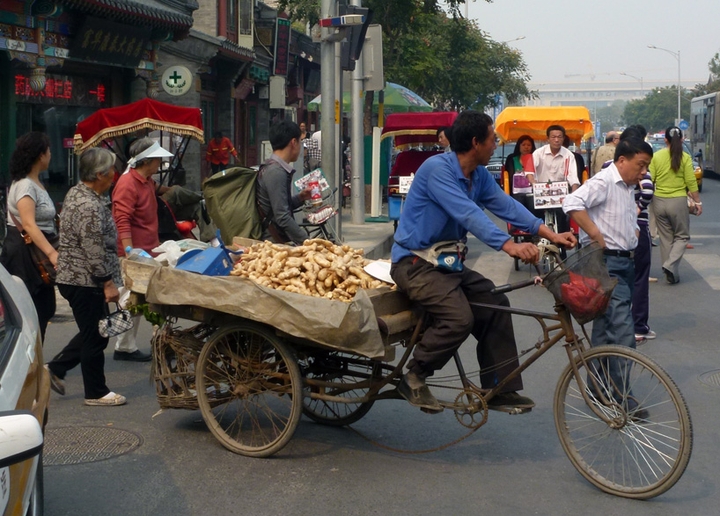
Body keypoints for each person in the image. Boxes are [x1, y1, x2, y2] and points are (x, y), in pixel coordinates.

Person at [390, 110, 576, 412]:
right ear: (476, 142)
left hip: (447, 264)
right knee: (458, 318)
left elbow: (505, 205)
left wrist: (549, 234)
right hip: (415, 265)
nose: (497, 143)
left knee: (496, 303)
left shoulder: (477, 176)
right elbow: (468, 214)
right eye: (493, 138)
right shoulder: (437, 170)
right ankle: (414, 375)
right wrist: (508, 246)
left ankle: (499, 385)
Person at [563, 137, 654, 419]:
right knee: (623, 333)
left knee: (603, 330)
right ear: (622, 160)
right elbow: (572, 202)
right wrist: (593, 232)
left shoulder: (627, 186)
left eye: (646, 167)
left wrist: (632, 233)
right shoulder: (604, 181)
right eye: (640, 166)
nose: (643, 173)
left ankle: (597, 389)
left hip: (623, 263)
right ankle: (619, 397)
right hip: (607, 265)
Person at [45, 147, 127, 406]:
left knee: (93, 330)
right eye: (111, 170)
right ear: (100, 174)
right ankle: (96, 392)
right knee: (95, 337)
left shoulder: (79, 193)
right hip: (84, 279)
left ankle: (56, 368)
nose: (114, 174)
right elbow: (92, 248)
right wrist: (108, 283)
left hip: (77, 276)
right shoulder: (88, 203)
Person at [111, 137, 173, 362]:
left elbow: (156, 189)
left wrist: (174, 191)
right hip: (135, 251)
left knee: (146, 298)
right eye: (157, 159)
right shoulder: (127, 183)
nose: (160, 163)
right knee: (132, 300)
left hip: (150, 248)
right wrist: (129, 251)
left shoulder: (146, 180)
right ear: (147, 161)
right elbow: (122, 219)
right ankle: (124, 345)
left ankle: (155, 341)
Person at [0, 132, 57, 341]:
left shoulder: (34, 182)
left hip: (32, 252)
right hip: (26, 257)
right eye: (49, 150)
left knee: (42, 311)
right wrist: (52, 254)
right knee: (32, 313)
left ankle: (33, 364)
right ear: (40, 155)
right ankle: (28, 366)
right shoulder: (25, 185)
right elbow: (29, 224)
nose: (51, 154)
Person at [650, 126, 702, 285]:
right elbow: (691, 181)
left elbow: (650, 179)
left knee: (666, 238)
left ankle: (671, 274)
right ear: (681, 139)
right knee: (682, 236)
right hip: (678, 201)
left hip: (658, 201)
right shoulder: (685, 157)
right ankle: (670, 265)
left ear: (665, 139)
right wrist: (697, 201)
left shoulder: (656, 156)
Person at [256, 120, 312, 245]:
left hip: (275, 240)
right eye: (300, 142)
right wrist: (308, 242)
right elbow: (282, 216)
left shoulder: (273, 168)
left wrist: (300, 197)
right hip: (273, 243)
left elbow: (279, 206)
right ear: (293, 142)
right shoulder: (276, 172)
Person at [528, 125, 581, 235]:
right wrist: (534, 183)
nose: (556, 140)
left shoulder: (568, 155)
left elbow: (573, 177)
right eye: (553, 137)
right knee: (534, 217)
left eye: (559, 137)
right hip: (540, 193)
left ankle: (563, 244)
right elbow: (530, 172)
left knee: (564, 218)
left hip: (560, 194)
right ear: (547, 139)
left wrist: (574, 193)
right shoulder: (538, 153)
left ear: (563, 138)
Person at [504, 134, 536, 211]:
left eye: (529, 145)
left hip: (532, 191)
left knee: (532, 204)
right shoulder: (512, 158)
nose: (526, 147)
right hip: (516, 191)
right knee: (518, 203)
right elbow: (509, 177)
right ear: (519, 146)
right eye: (523, 145)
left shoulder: (536, 158)